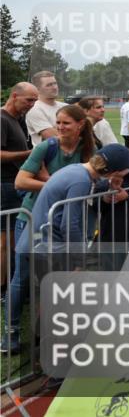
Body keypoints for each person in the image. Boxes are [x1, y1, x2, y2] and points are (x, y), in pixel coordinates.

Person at [2, 145, 129, 353]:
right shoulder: (80, 180)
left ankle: (42, 342)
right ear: (114, 170)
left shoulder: (77, 172)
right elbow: (70, 224)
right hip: (47, 246)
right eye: (123, 173)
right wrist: (79, 260)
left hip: (36, 242)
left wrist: (107, 189)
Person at [1, 83, 38, 288]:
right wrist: (29, 155)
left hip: (18, 184)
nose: (32, 105)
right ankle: (4, 288)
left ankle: (15, 282)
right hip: (5, 185)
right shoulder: (2, 119)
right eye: (29, 100)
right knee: (6, 241)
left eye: (34, 101)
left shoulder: (19, 119)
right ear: (14, 96)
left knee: (16, 239)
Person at [24, 71, 66, 146]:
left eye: (55, 83)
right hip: (48, 156)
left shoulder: (65, 106)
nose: (54, 87)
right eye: (49, 85)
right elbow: (54, 137)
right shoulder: (34, 109)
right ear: (37, 89)